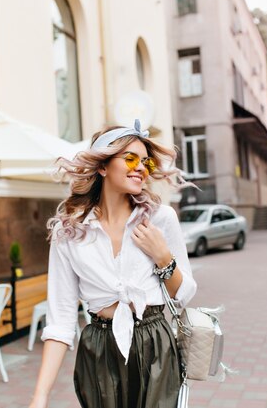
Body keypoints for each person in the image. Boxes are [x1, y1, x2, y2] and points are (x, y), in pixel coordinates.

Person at [29, 121, 197, 408]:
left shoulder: (160, 219)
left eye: (146, 161)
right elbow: (60, 321)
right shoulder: (69, 232)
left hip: (154, 341)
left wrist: (163, 258)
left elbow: (183, 295)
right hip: (99, 347)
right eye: (130, 158)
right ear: (103, 167)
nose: (141, 167)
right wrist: (40, 397)